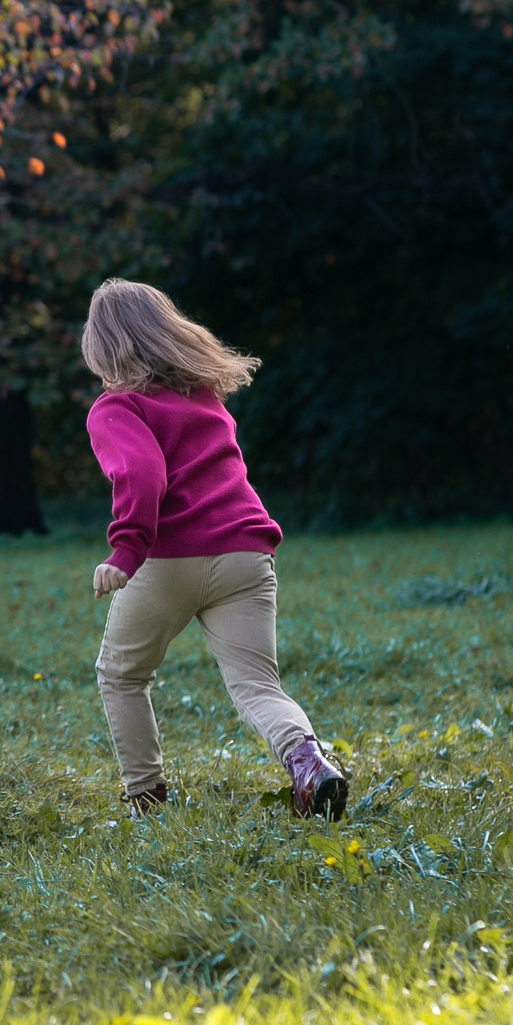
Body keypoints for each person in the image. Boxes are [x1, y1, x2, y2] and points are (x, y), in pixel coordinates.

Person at [80, 279, 348, 821]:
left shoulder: (115, 408)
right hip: (247, 555)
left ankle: (146, 801)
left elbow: (142, 472)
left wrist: (125, 551)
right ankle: (307, 761)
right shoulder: (204, 400)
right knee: (256, 684)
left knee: (122, 674)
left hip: (168, 561)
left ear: (102, 345)